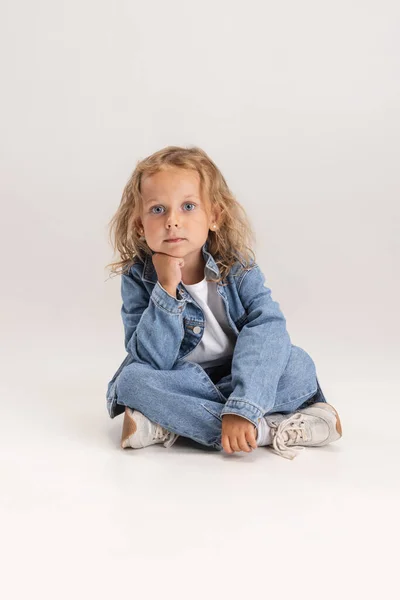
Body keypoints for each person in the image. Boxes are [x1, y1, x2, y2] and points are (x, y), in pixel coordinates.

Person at [105, 146, 342, 460]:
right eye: (158, 210)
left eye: (188, 206)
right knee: (132, 381)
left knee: (299, 365)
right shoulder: (138, 277)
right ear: (139, 225)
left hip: (242, 373)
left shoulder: (238, 268)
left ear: (213, 217)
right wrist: (166, 289)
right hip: (181, 379)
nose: (172, 221)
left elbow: (267, 328)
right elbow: (152, 360)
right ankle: (265, 431)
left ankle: (178, 423)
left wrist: (244, 402)